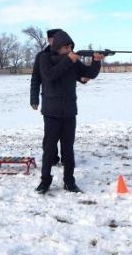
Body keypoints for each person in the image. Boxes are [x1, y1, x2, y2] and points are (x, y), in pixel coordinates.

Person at [36, 30, 104, 194]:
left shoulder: (72, 61)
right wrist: (68, 60)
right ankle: (45, 181)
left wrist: (96, 61)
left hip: (69, 112)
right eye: (65, 47)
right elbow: (50, 75)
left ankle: (69, 182)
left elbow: (89, 74)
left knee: (68, 149)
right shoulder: (44, 58)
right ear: (57, 47)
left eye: (70, 47)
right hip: (51, 112)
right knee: (49, 149)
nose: (68, 49)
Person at [30, 29, 90, 166]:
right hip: (50, 102)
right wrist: (34, 99)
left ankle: (65, 160)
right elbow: (36, 79)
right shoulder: (42, 56)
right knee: (50, 137)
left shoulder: (67, 55)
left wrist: (81, 78)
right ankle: (52, 159)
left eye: (54, 39)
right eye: (51, 39)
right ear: (49, 41)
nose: (52, 41)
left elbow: (71, 72)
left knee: (66, 138)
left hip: (66, 104)